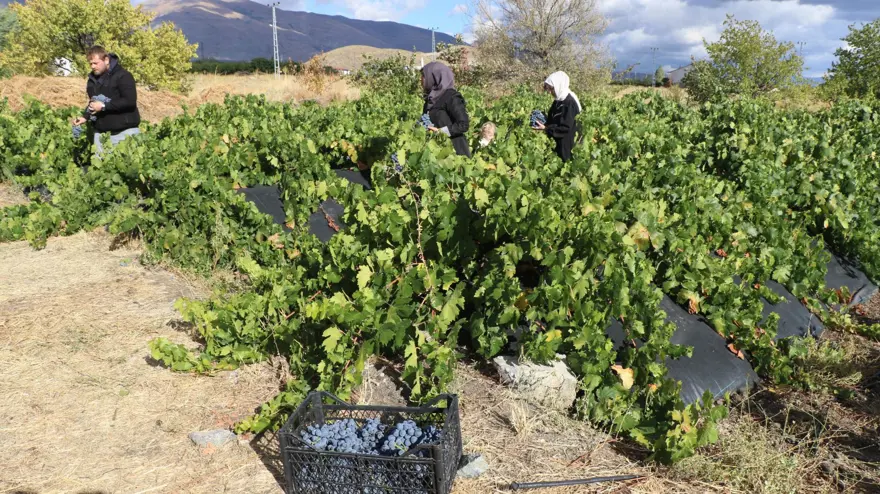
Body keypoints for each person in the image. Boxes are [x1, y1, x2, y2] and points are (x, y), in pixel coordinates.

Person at [71, 46, 141, 156]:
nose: (93, 67)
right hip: (101, 135)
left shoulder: (123, 76)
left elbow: (129, 101)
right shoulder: (92, 80)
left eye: (96, 63)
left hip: (124, 133)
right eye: (90, 64)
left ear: (106, 60)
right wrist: (85, 117)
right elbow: (94, 102)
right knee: (100, 171)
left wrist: (104, 106)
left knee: (126, 170)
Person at [420, 61, 471, 157]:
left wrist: (441, 132)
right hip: (436, 151)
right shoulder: (430, 100)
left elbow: (463, 124)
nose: (421, 80)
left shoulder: (451, 97)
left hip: (455, 153)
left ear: (434, 77)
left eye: (423, 76)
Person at [532, 71, 581, 162]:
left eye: (551, 89)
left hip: (566, 144)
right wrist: (543, 120)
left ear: (559, 86)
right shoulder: (558, 100)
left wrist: (546, 129)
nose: (550, 92)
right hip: (557, 141)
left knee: (565, 166)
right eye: (548, 89)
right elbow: (553, 119)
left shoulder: (569, 103)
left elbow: (565, 128)